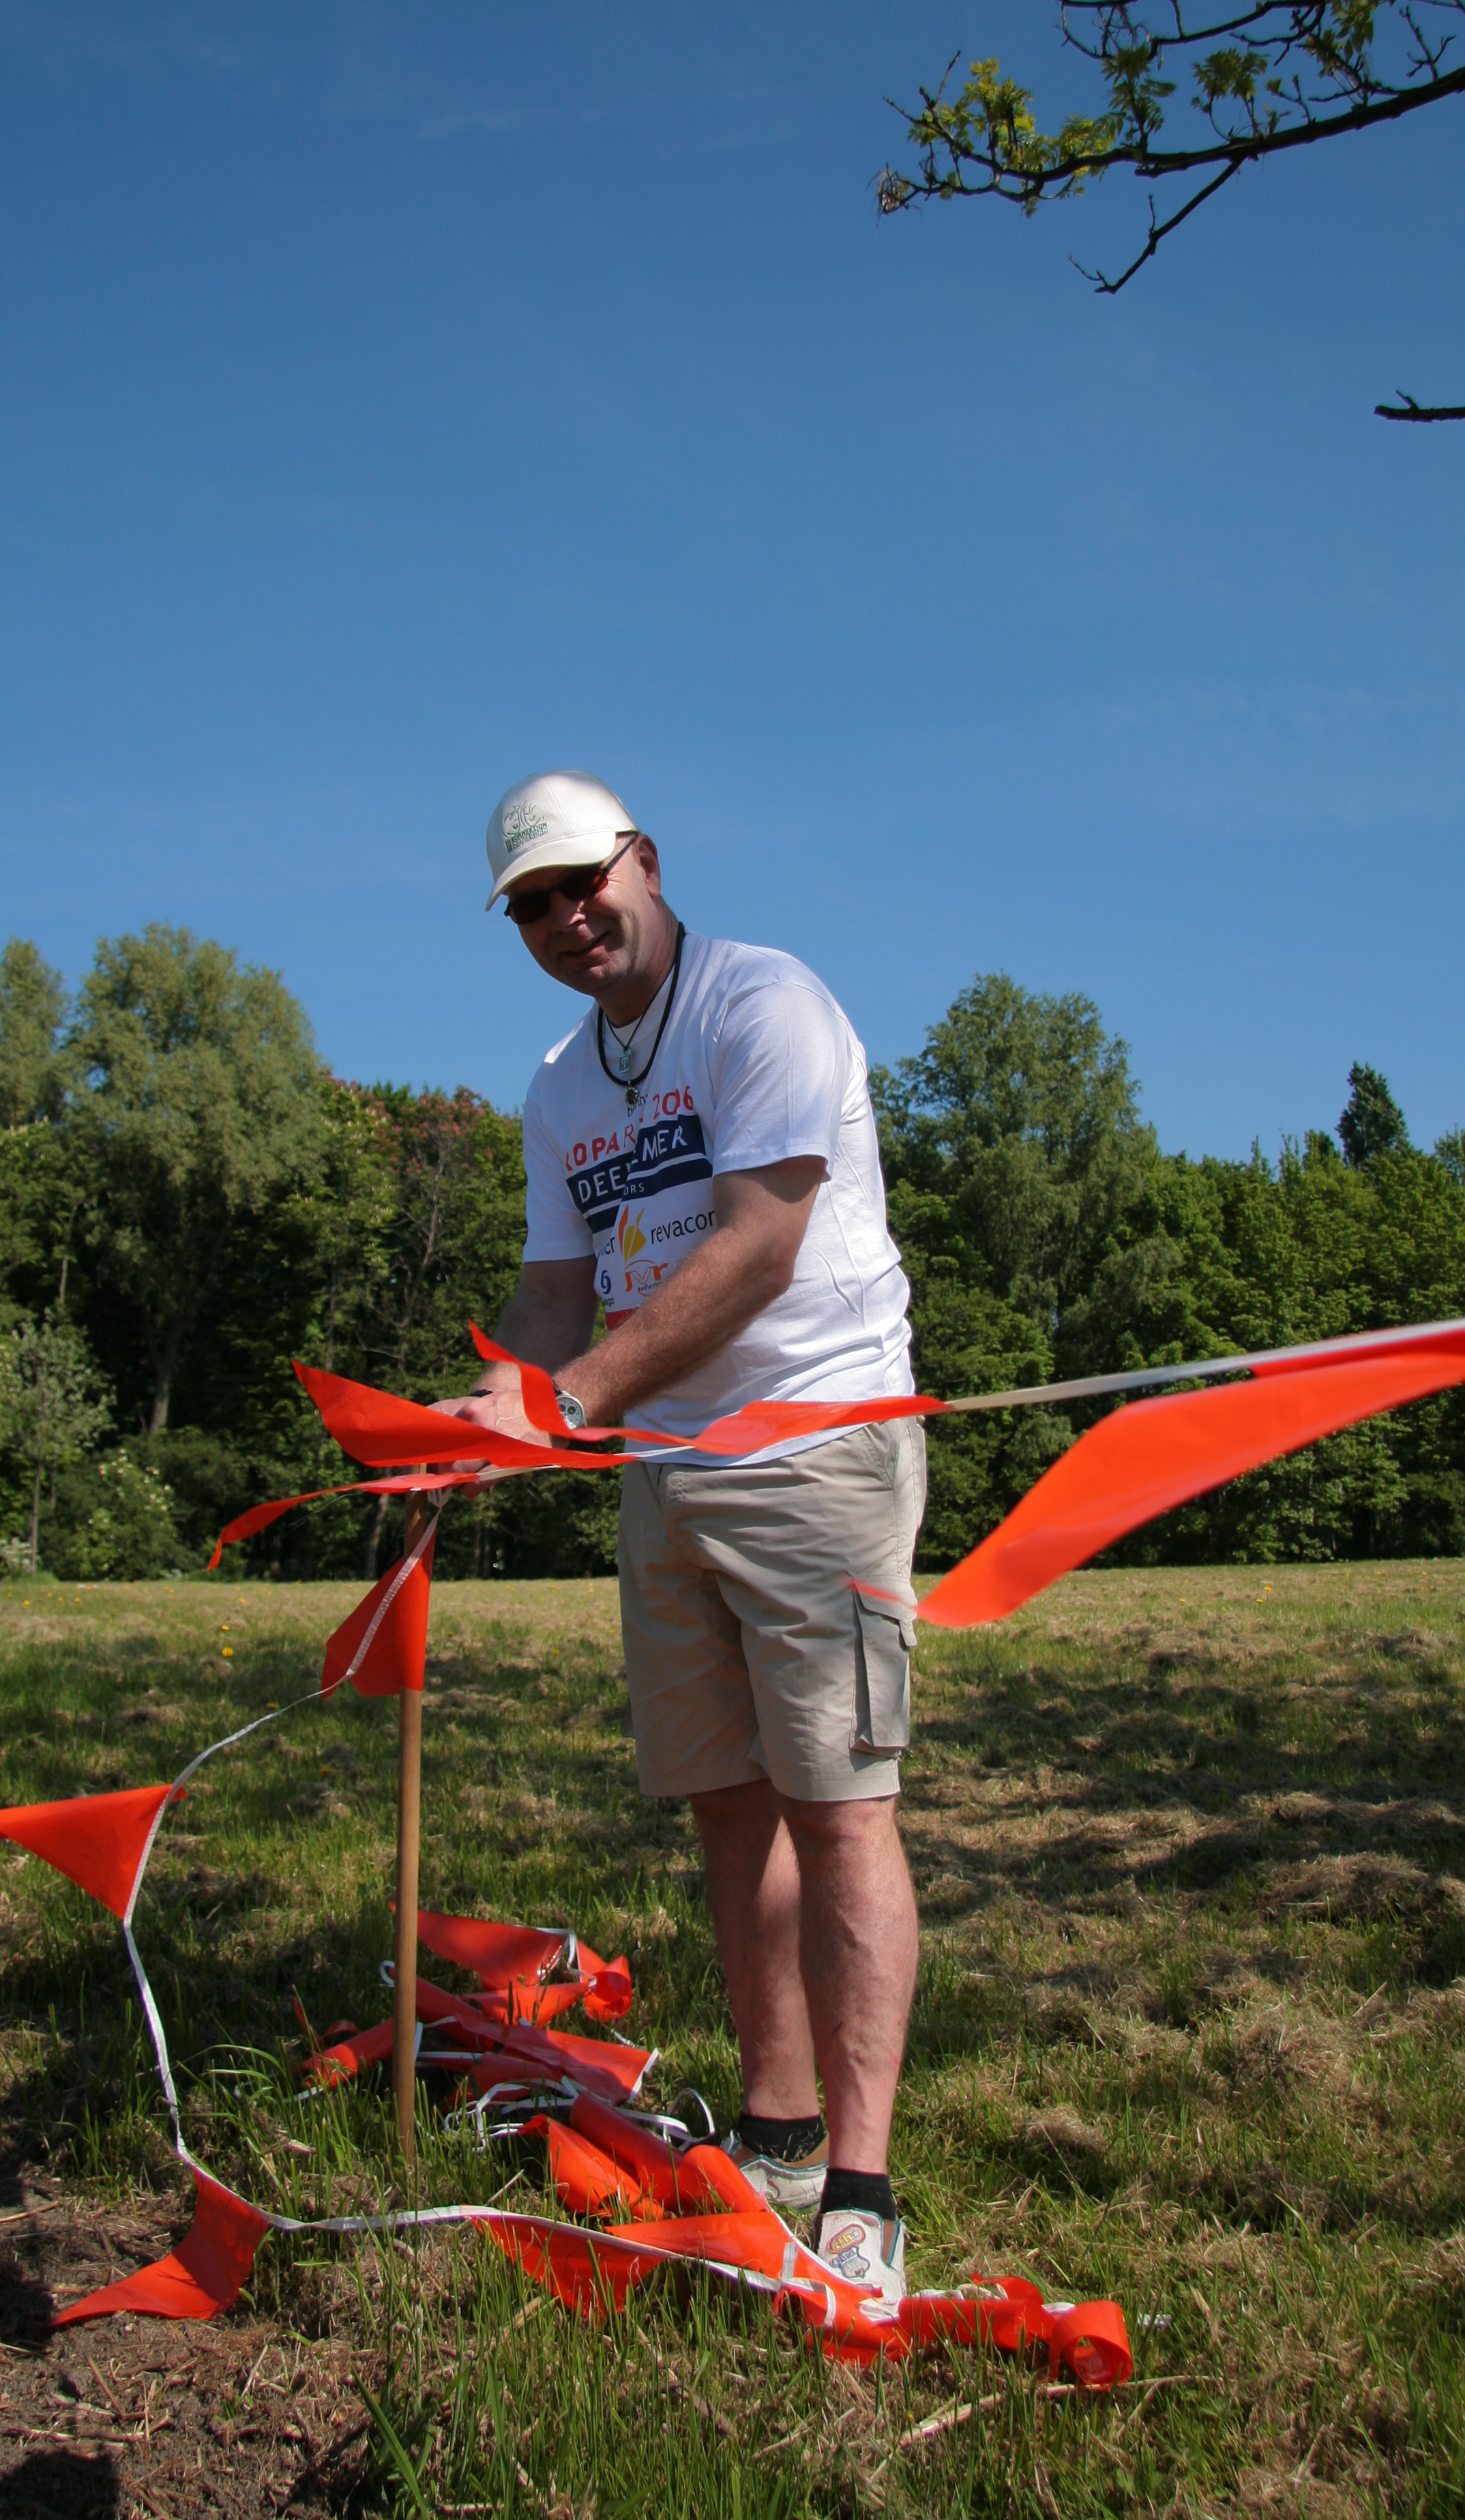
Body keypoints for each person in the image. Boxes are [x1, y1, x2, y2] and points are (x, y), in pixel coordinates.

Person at [438, 770, 927, 2300]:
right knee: (729, 1803)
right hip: (664, 1468)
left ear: (644, 861)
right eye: (532, 903)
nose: (568, 917)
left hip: (816, 1449)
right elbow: (549, 1297)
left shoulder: (762, 1004)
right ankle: (776, 2129)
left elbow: (761, 1241)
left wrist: (566, 1402)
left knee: (841, 1805)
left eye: (585, 880)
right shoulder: (559, 1089)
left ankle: (859, 2183)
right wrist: (480, 1416)